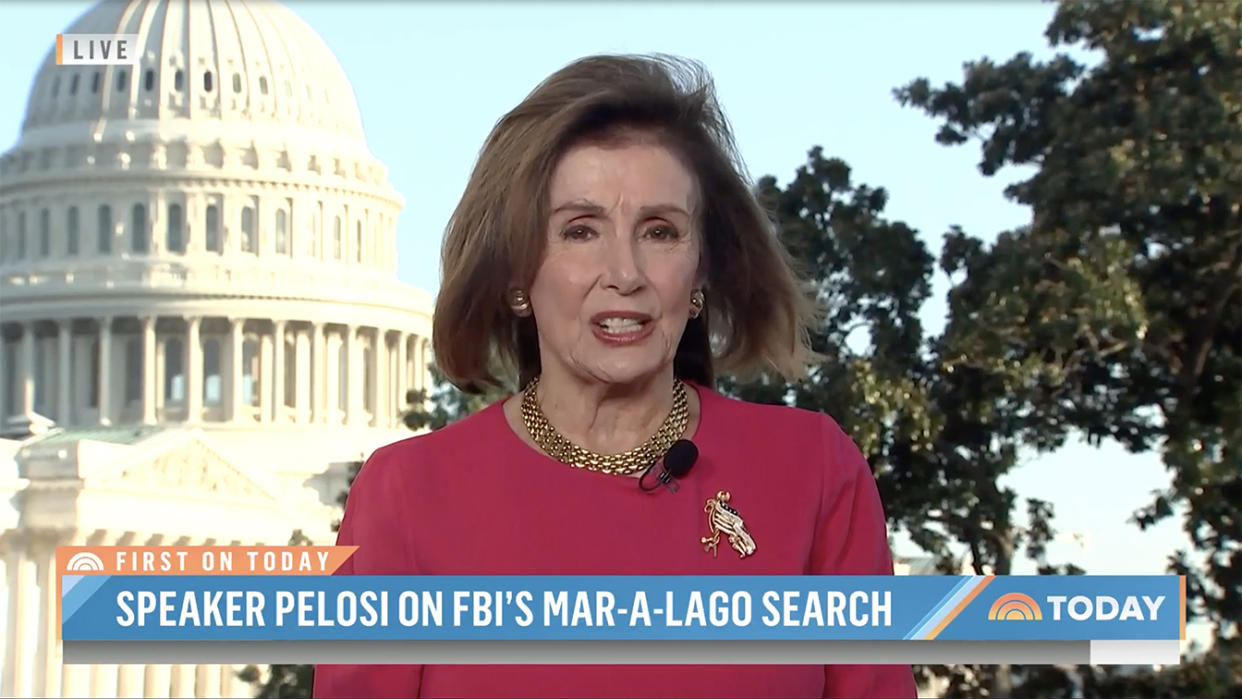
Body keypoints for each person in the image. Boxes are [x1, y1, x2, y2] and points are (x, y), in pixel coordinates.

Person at [314, 54, 917, 699]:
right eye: (581, 230)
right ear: (516, 274)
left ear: (700, 274)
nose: (624, 272)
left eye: (659, 232)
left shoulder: (813, 472)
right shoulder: (406, 496)